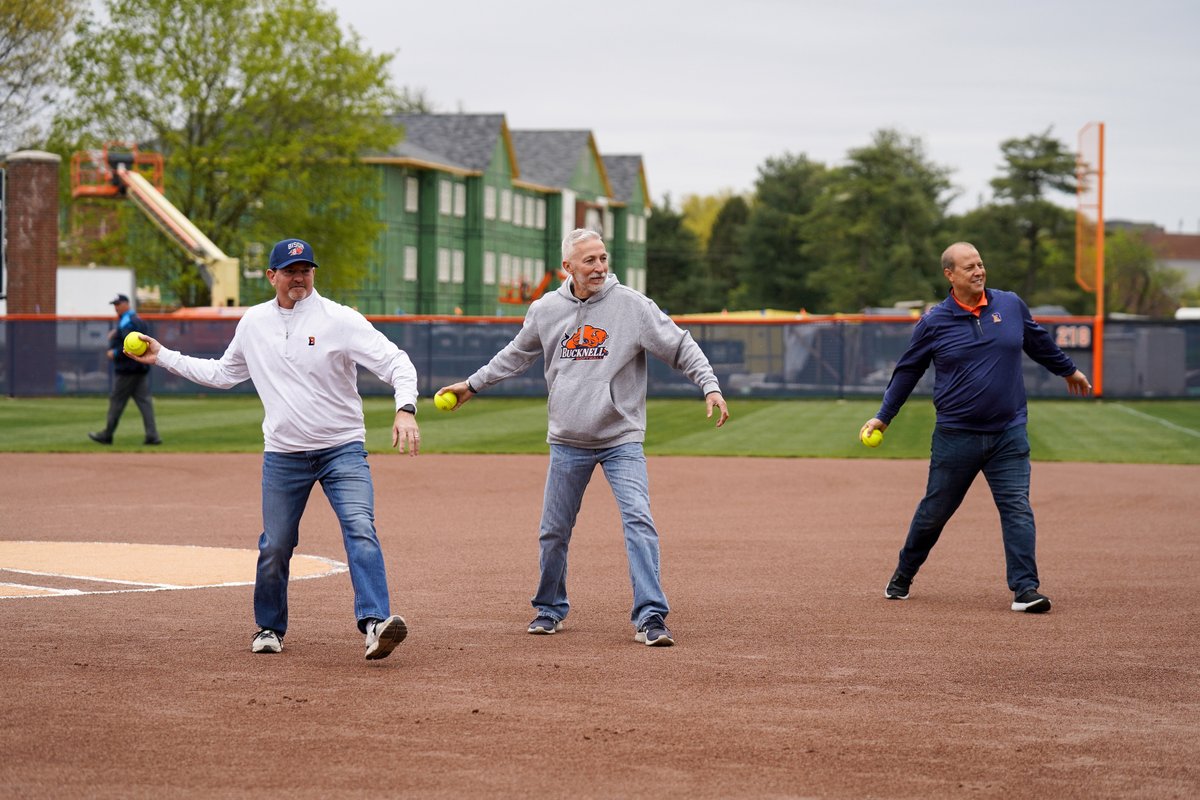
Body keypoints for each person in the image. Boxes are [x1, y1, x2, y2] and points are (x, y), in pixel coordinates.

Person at [126, 238, 419, 660]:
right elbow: (224, 374)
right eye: (289, 271)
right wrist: (163, 356)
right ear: (272, 276)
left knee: (360, 528)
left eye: (305, 270)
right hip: (284, 454)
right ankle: (268, 627)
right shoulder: (254, 322)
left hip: (342, 449)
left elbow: (397, 363)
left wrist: (404, 409)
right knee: (276, 544)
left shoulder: (339, 319)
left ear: (313, 274)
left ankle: (375, 624)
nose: (299, 278)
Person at [436, 228, 730, 647]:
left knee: (638, 521)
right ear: (567, 267)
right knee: (553, 530)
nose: (599, 267)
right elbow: (516, 353)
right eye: (589, 260)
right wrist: (473, 384)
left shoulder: (632, 306)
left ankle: (650, 616)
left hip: (620, 437)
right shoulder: (545, 309)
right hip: (568, 440)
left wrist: (710, 385)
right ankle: (549, 608)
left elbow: (681, 346)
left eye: (603, 258)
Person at [861, 241, 1092, 613]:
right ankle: (903, 574)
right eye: (969, 267)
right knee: (934, 511)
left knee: (1016, 506)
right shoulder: (934, 322)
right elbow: (907, 372)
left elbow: (1038, 342)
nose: (979, 271)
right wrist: (884, 416)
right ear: (950, 275)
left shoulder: (1010, 305)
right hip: (956, 436)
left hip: (1008, 432)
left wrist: (1069, 369)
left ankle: (1025, 589)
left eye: (981, 264)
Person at [89, 294, 162, 445]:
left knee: (117, 401)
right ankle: (152, 435)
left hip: (127, 371)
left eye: (118, 304)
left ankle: (107, 435)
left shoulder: (127, 321)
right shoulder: (137, 320)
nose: (116, 307)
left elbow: (131, 345)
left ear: (126, 304)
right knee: (145, 402)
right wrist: (116, 333)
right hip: (140, 368)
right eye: (114, 304)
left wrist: (114, 353)